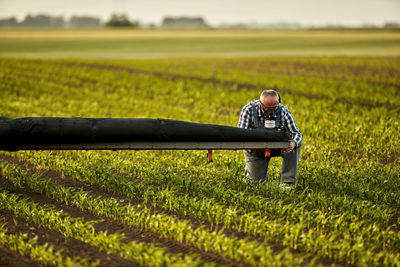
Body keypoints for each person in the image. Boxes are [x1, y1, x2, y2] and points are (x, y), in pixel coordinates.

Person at [237, 90, 302, 187]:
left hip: (278, 147)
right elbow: (240, 133)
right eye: (267, 108)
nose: (271, 112)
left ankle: (287, 183)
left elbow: (297, 133)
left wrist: (293, 143)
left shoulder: (283, 111)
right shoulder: (249, 110)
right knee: (257, 185)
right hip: (256, 150)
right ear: (260, 103)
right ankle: (251, 173)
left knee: (295, 143)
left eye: (274, 108)